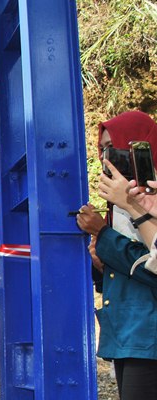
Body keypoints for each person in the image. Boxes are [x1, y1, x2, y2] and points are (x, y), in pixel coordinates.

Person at [77, 110, 157, 400]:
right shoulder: (119, 202)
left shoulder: (148, 197)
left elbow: (151, 265)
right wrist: (99, 260)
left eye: (113, 147)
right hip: (128, 330)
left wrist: (105, 234)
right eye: (102, 148)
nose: (105, 156)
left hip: (147, 331)